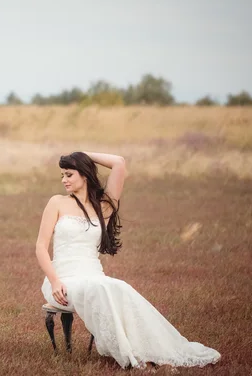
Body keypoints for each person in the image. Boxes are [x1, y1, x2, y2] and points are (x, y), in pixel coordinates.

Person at [35, 151, 221, 370]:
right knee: (102, 288)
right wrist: (55, 282)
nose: (64, 180)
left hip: (94, 275)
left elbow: (118, 163)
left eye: (69, 174)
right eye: (62, 175)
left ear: (85, 175)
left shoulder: (103, 206)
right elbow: (40, 247)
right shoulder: (57, 202)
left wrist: (83, 155)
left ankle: (149, 348)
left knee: (119, 287)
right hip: (62, 280)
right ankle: (128, 355)